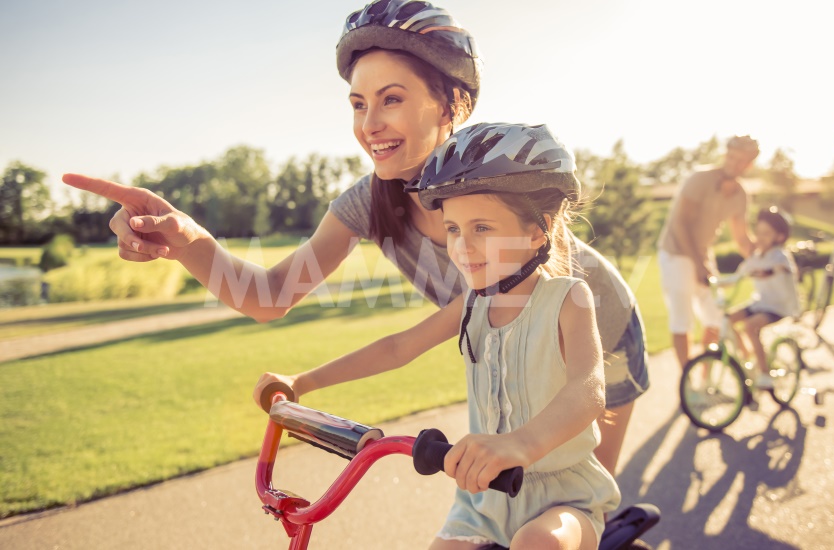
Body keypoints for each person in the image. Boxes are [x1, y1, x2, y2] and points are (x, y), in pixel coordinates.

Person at [60, 0, 647, 479]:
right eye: (359, 104)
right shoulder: (370, 202)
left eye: (392, 99)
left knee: (567, 504)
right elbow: (268, 296)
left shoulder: (500, 183)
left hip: (595, 342)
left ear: (451, 104)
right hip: (515, 356)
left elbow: (553, 343)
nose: (370, 125)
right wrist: (187, 238)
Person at [255, 122, 621, 549]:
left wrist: (520, 445)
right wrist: (303, 382)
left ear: (537, 231)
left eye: (481, 228)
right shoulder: (471, 303)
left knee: (539, 543)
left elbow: (588, 388)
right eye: (453, 229)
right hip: (482, 503)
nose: (462, 247)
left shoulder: (568, 299)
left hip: (564, 498)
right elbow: (398, 347)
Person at [656, 135, 759, 369]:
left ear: (749, 165)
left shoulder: (741, 195)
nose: (734, 163)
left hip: (702, 254)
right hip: (676, 253)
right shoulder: (699, 180)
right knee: (683, 321)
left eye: (741, 160)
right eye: (731, 157)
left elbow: (742, 237)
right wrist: (699, 265)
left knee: (715, 318)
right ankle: (687, 380)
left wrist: (764, 261)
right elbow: (682, 224)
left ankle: (705, 377)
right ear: (725, 155)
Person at [728, 206, 800, 388]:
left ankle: (764, 373)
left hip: (779, 306)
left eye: (766, 233)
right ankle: (748, 356)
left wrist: (769, 271)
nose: (760, 237)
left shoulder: (780, 257)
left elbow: (782, 269)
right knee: (727, 320)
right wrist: (712, 281)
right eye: (758, 232)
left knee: (749, 327)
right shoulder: (756, 257)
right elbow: (736, 276)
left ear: (779, 237)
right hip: (761, 303)